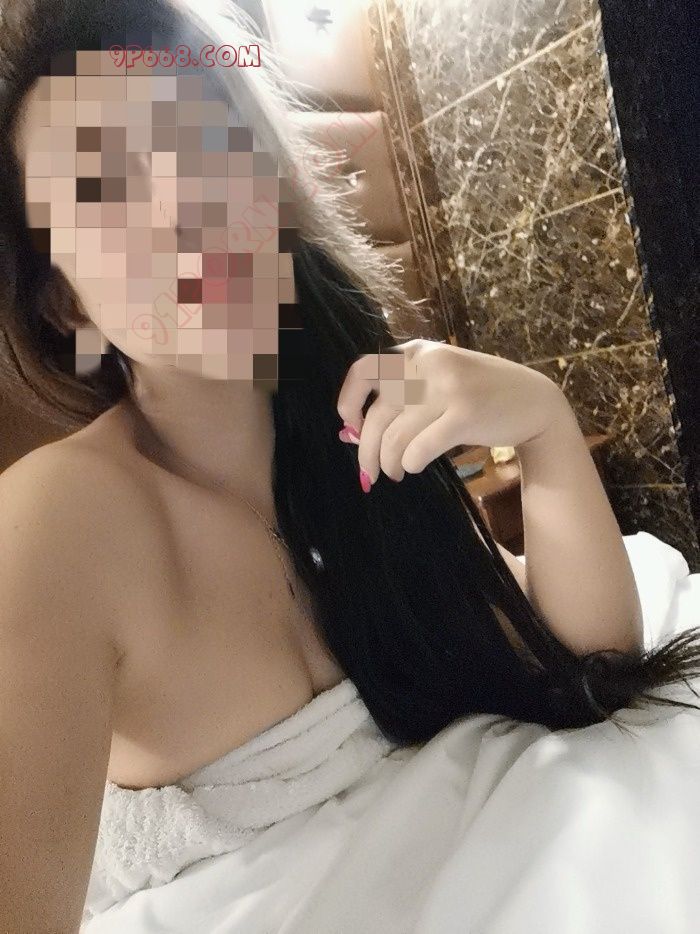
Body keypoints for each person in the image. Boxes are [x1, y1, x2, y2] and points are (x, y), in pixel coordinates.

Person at [1, 0, 700, 930]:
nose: (177, 208)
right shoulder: (56, 522)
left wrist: (542, 423)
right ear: (64, 302)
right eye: (102, 191)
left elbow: (581, 653)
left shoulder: (354, 418)